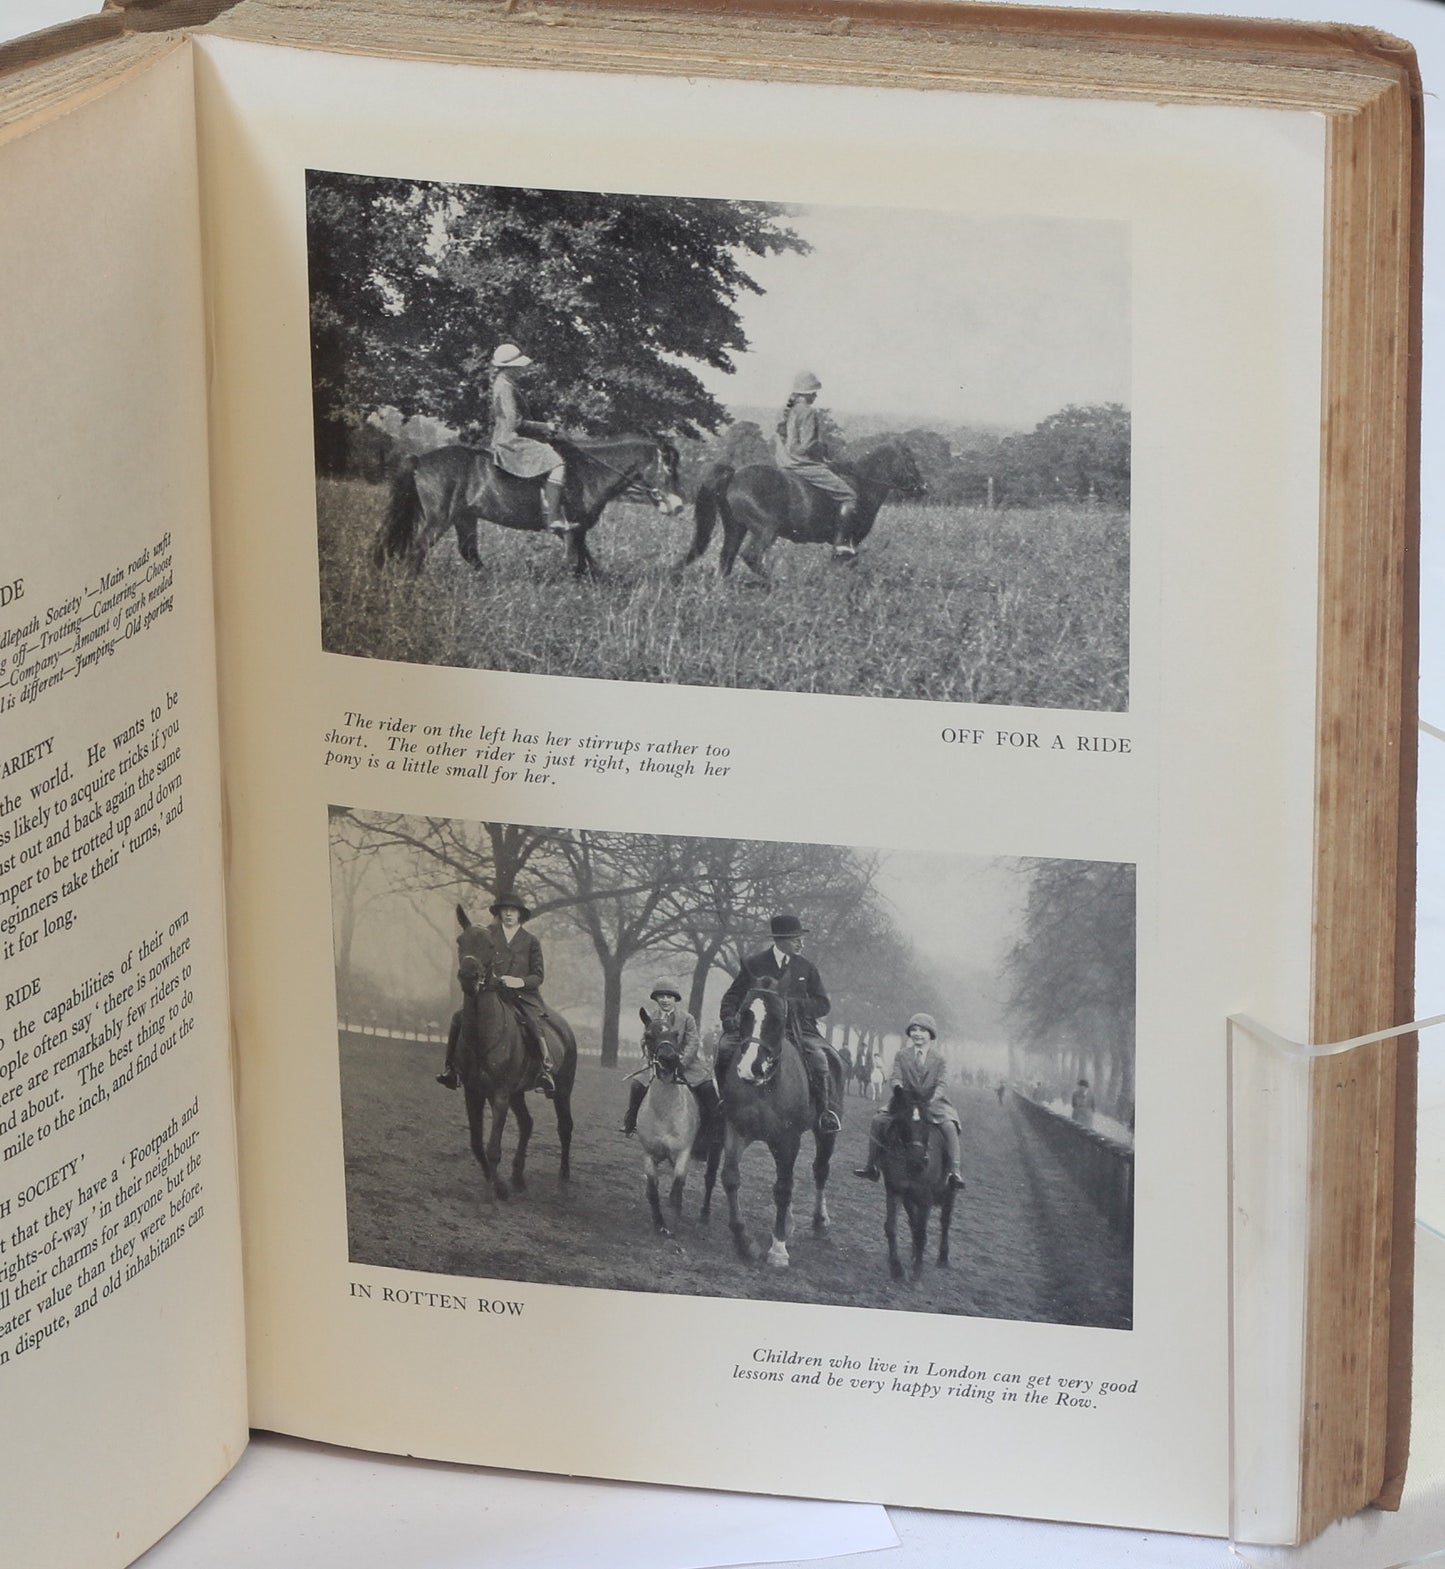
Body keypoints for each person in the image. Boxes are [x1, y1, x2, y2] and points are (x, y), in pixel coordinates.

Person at [719, 912, 842, 1136]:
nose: (800, 942)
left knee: (821, 1060)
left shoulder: (807, 968)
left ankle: (824, 1112)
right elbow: (732, 997)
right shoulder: (754, 964)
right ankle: (721, 1103)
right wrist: (728, 1017)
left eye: (800, 938)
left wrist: (792, 1006)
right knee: (724, 1049)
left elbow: (823, 1004)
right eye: (795, 938)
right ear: (780, 940)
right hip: (756, 1028)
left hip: (796, 1029)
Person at [436, 890, 556, 1096]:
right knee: (458, 1017)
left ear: (520, 915)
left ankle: (544, 1070)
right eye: (504, 910)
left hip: (522, 995)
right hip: (493, 993)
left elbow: (538, 976)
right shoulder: (489, 934)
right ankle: (451, 1068)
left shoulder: (531, 941)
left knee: (533, 1021)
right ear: (499, 913)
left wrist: (517, 981)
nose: (508, 914)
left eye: (513, 911)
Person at [854, 1014, 964, 1188]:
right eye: (913, 1030)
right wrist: (898, 1090)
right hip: (906, 1100)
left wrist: (931, 1098)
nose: (917, 1034)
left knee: (950, 1126)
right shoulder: (901, 1055)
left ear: (931, 1034)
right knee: (878, 1120)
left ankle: (954, 1172)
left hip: (933, 1102)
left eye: (922, 1030)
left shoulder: (940, 1059)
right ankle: (871, 1165)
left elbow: (942, 1083)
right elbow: (896, 1077)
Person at [774, 371, 859, 557]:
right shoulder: (808, 412)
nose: (815, 395)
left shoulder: (786, 411)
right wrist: (822, 449)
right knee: (850, 496)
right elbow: (807, 446)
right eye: (814, 392)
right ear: (807, 393)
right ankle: (842, 544)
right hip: (802, 464)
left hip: (784, 463)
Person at [488, 342, 570, 534]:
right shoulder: (506, 386)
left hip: (506, 437)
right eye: (519, 366)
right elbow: (515, 423)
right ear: (511, 367)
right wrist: (546, 426)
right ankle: (553, 517)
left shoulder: (503, 382)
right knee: (557, 463)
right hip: (510, 441)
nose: (523, 370)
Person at [620, 980, 720, 1134]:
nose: (665, 1000)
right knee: (637, 1084)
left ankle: (712, 1129)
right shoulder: (650, 1018)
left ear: (675, 999)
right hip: (658, 1063)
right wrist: (650, 1057)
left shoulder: (687, 1018)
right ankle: (631, 1120)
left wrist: (683, 1061)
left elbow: (693, 1042)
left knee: (707, 1088)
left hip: (685, 1063)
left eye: (669, 997)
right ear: (656, 999)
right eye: (661, 996)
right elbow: (646, 1040)